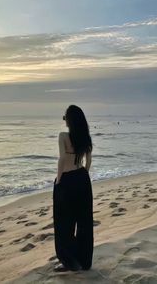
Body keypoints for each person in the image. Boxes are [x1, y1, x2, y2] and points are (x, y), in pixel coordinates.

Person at [53, 104, 94, 272]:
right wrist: (84, 174)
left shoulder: (63, 136)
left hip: (67, 180)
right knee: (84, 221)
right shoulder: (86, 138)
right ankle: (84, 261)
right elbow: (89, 161)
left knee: (64, 223)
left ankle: (70, 261)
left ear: (69, 121)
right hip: (83, 179)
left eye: (65, 118)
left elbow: (62, 159)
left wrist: (59, 180)